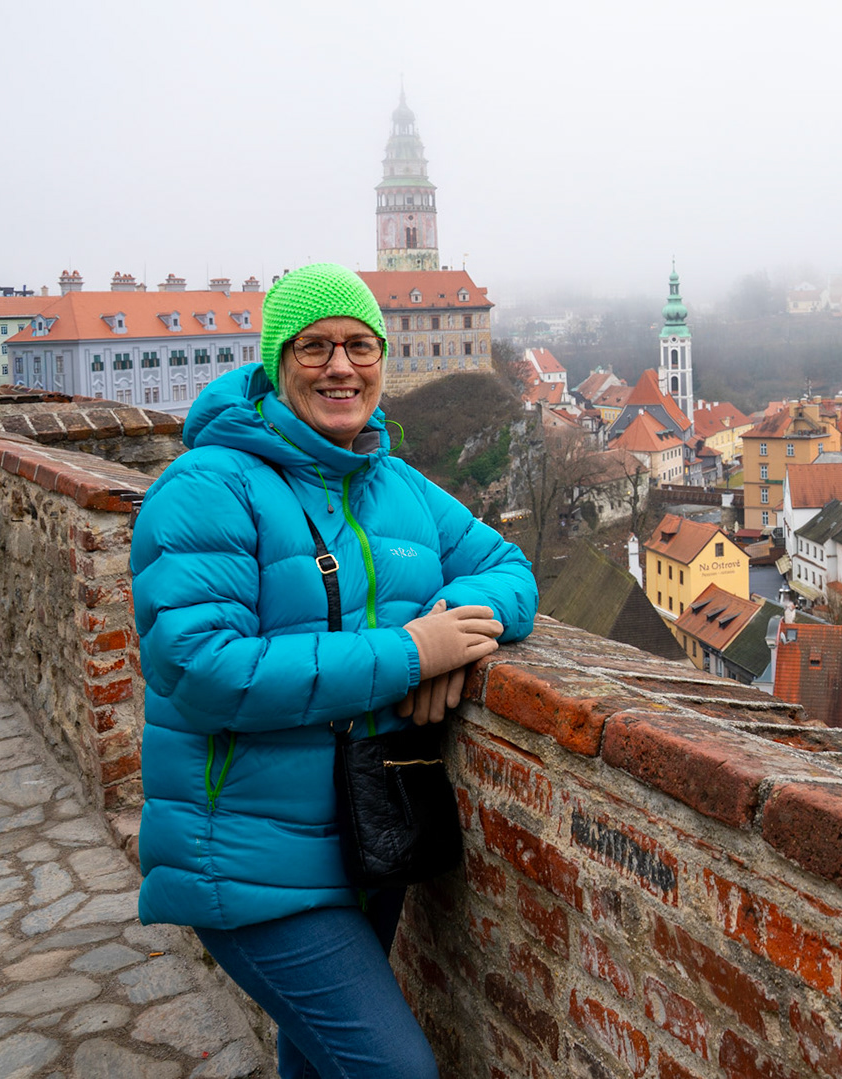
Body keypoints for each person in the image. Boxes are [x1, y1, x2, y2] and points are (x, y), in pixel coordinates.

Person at [129, 263, 536, 1078]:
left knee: (318, 1063)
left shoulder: (395, 484)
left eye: (359, 345)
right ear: (277, 363)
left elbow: (512, 571)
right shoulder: (206, 486)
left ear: (383, 359)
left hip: (365, 835)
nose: (341, 366)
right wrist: (412, 654)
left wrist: (453, 618)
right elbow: (203, 670)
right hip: (244, 855)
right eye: (314, 347)